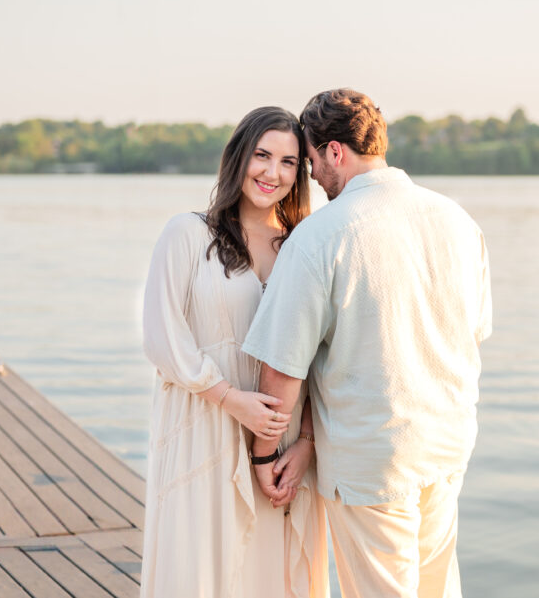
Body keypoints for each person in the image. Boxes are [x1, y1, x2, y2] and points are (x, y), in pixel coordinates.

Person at [242, 89, 493, 598]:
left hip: (371, 461)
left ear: (335, 152)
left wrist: (264, 456)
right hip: (446, 444)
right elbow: (474, 332)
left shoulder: (319, 236)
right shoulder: (458, 222)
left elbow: (282, 371)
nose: (311, 177)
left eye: (310, 162)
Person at [140, 106, 328, 598]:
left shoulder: (302, 246)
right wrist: (229, 398)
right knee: (204, 565)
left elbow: (323, 356)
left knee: (271, 572)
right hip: (207, 425)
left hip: (279, 440)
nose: (273, 173)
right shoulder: (188, 234)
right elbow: (162, 337)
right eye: (262, 155)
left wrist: (306, 441)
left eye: (289, 162)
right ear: (238, 156)